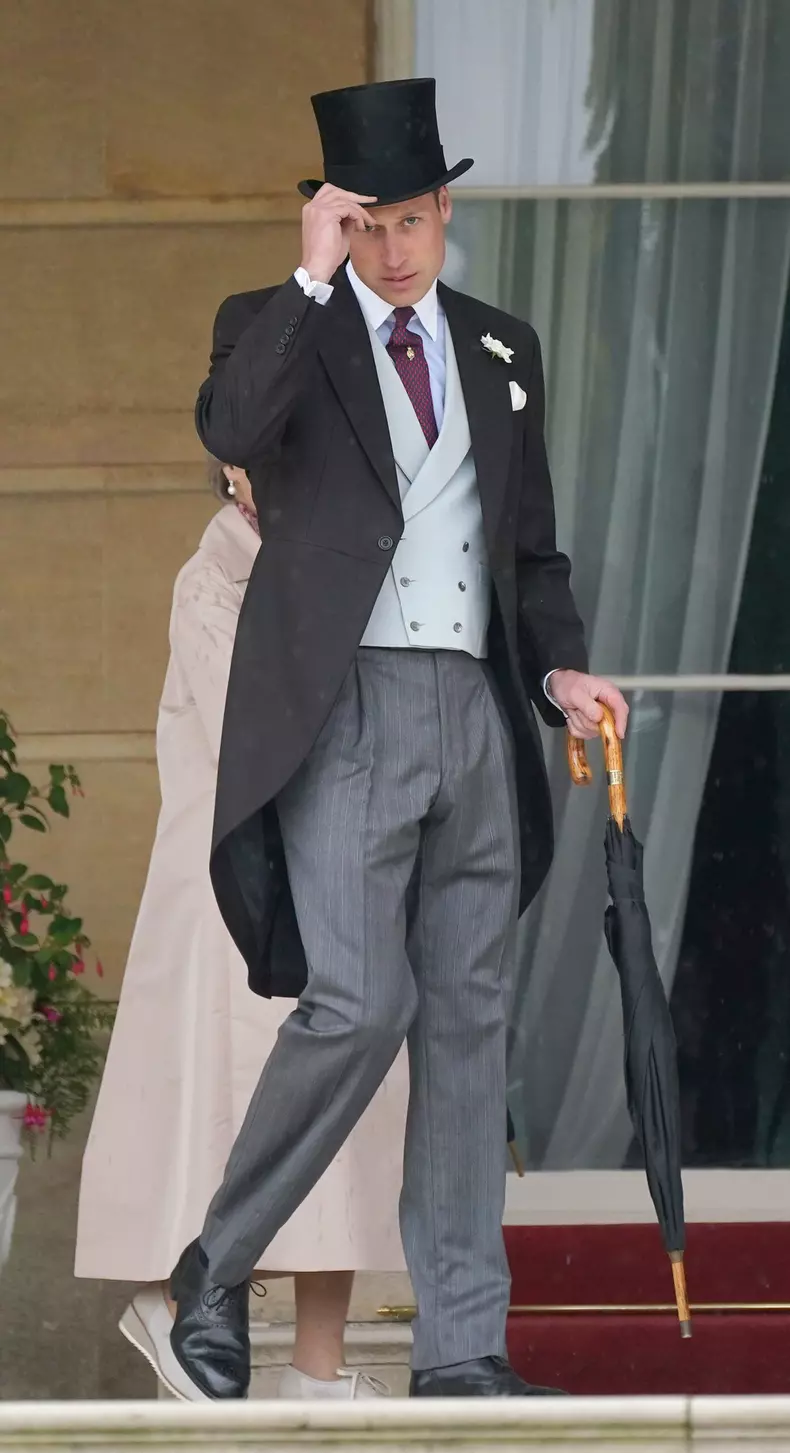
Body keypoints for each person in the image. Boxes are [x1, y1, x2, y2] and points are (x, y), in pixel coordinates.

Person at [170, 77, 629, 1401]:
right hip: (347, 706)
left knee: (470, 1023)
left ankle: (459, 1344)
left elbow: (528, 550)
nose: (396, 249)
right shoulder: (272, 328)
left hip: (476, 709)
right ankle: (218, 1266)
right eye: (368, 225)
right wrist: (308, 283)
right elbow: (226, 432)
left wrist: (561, 673)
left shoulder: (500, 347)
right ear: (334, 221)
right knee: (359, 1001)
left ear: (443, 212)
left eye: (414, 220)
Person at [74, 461, 408, 1402]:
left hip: (338, 864)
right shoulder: (216, 575)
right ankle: (174, 1306)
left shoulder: (346, 564)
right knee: (215, 1111)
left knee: (338, 1118)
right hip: (240, 880)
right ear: (235, 468)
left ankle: (317, 1366)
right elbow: (254, 738)